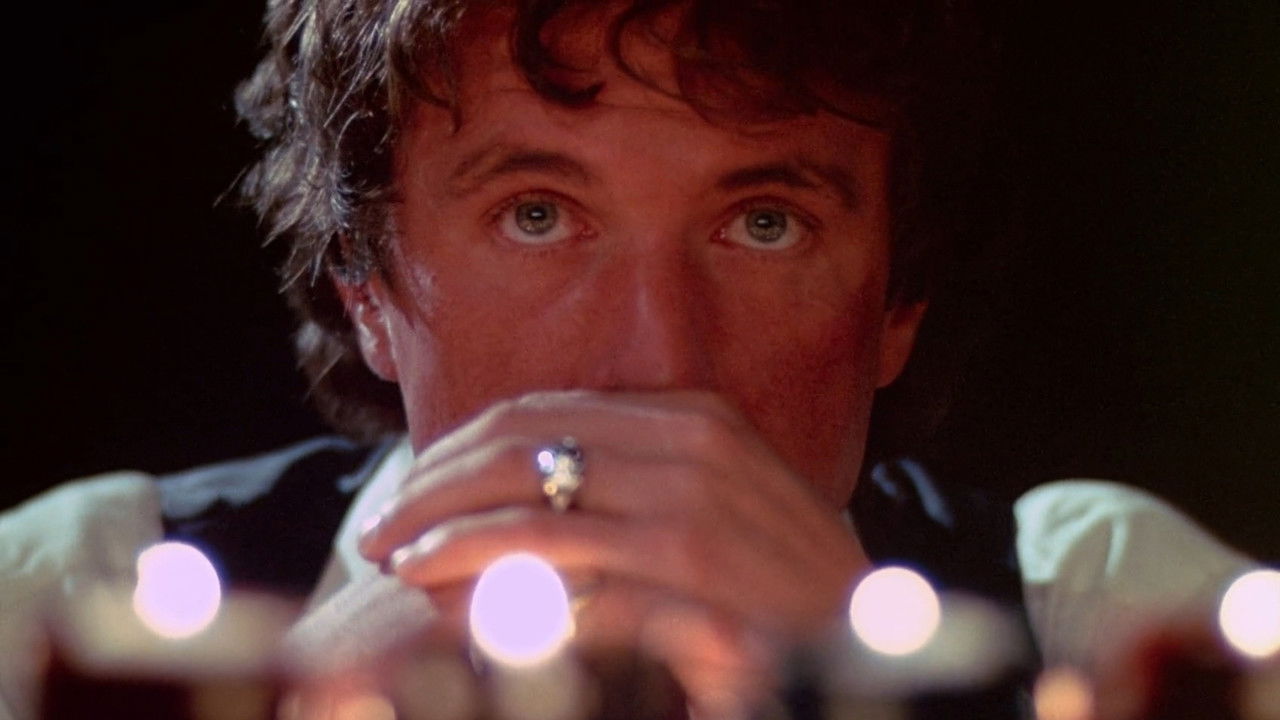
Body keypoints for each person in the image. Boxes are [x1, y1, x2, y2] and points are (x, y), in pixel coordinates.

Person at [0, 1, 1261, 719]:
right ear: (366, 288)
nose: (656, 365)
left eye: (762, 224)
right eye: (537, 214)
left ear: (896, 304)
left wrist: (859, 684)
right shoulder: (71, 590)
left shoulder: (1096, 606)